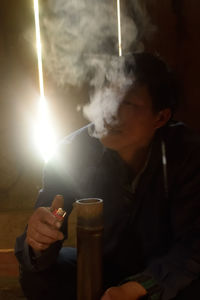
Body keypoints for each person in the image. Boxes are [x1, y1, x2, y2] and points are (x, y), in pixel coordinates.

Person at [15, 52, 200, 300]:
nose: (109, 111)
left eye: (128, 104)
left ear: (160, 117)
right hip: (104, 268)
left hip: (159, 277)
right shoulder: (73, 152)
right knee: (38, 276)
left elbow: (192, 247)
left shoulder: (187, 153)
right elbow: (55, 212)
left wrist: (134, 288)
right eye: (105, 97)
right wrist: (40, 238)